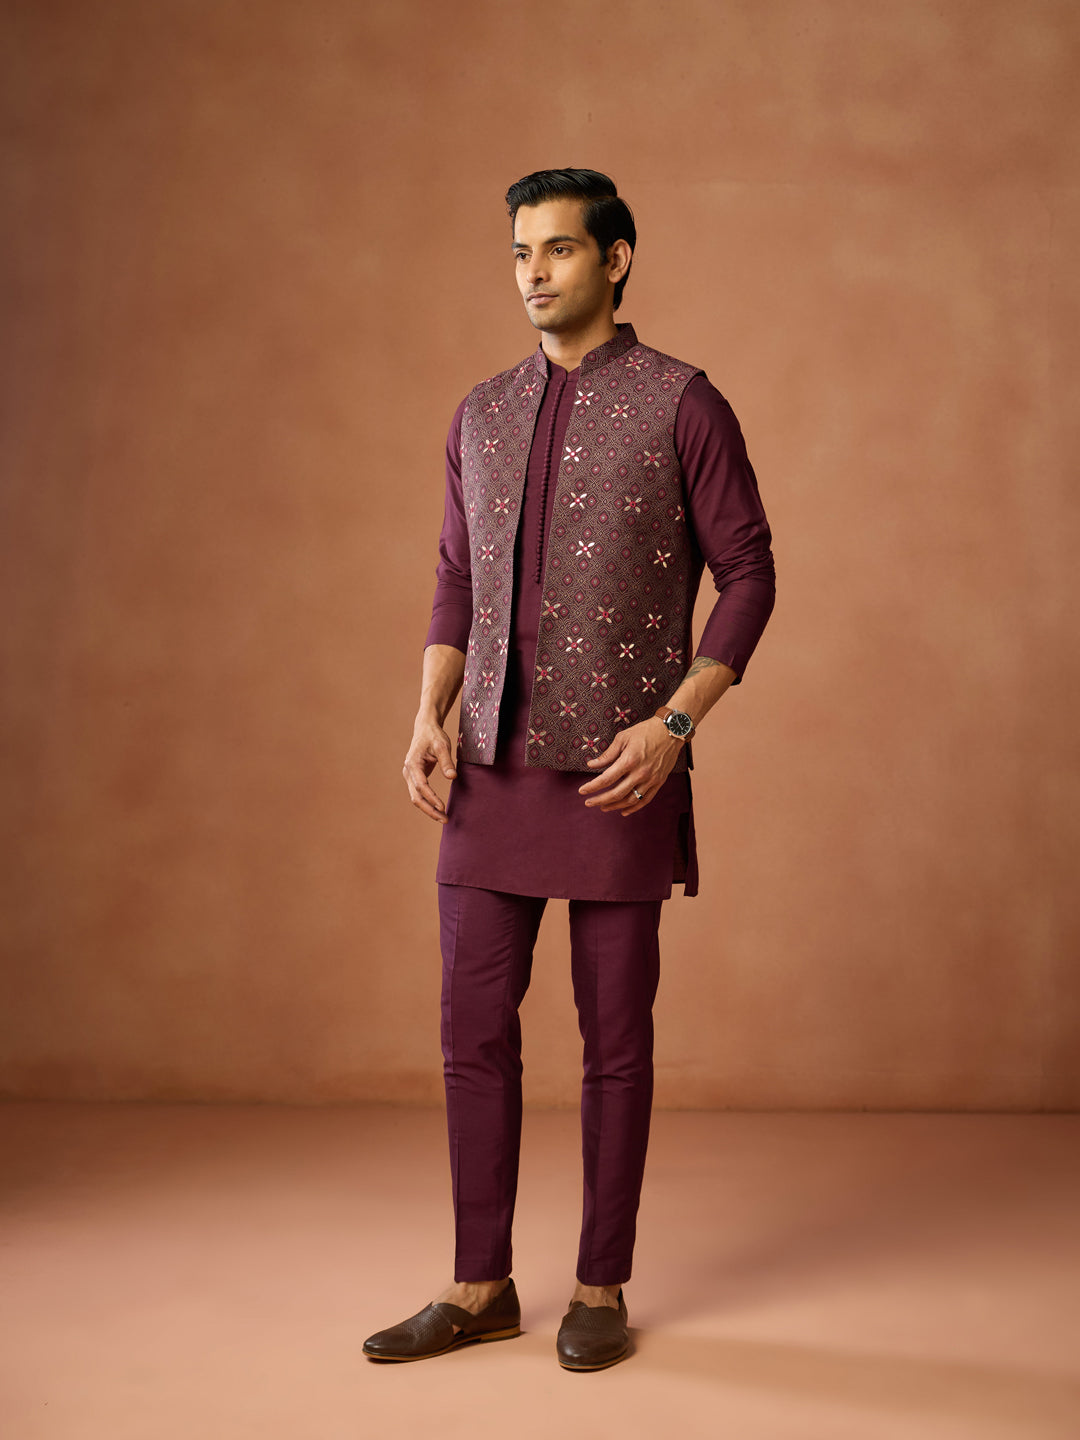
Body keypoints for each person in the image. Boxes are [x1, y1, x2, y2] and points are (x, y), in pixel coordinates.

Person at [363, 168, 776, 1371]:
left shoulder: (684, 402)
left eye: (556, 249)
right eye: (519, 252)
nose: (533, 272)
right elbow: (457, 575)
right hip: (488, 770)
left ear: (617, 258)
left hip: (617, 773)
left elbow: (750, 575)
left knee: (615, 1041)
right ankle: (478, 1284)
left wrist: (675, 726)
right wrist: (428, 711)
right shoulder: (481, 413)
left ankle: (601, 1286)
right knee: (471, 1032)